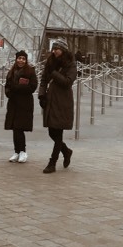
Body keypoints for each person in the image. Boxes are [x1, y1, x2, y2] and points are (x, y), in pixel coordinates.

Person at [38, 38, 77, 174]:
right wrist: (41, 95)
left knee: (58, 132)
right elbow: (43, 79)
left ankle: (52, 163)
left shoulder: (71, 64)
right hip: (51, 100)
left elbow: (68, 82)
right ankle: (66, 151)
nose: (54, 51)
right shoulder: (50, 62)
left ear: (64, 50)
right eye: (53, 49)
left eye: (57, 49)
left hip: (63, 102)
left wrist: (54, 73)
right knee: (51, 132)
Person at [4, 50, 37, 163]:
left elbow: (33, 87)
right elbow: (7, 87)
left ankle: (22, 152)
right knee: (15, 128)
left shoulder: (30, 71)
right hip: (13, 102)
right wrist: (9, 93)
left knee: (19, 128)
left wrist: (17, 88)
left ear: (26, 60)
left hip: (24, 103)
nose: (21, 60)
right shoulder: (11, 72)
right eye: (19, 58)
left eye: (23, 58)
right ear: (16, 59)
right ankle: (17, 152)